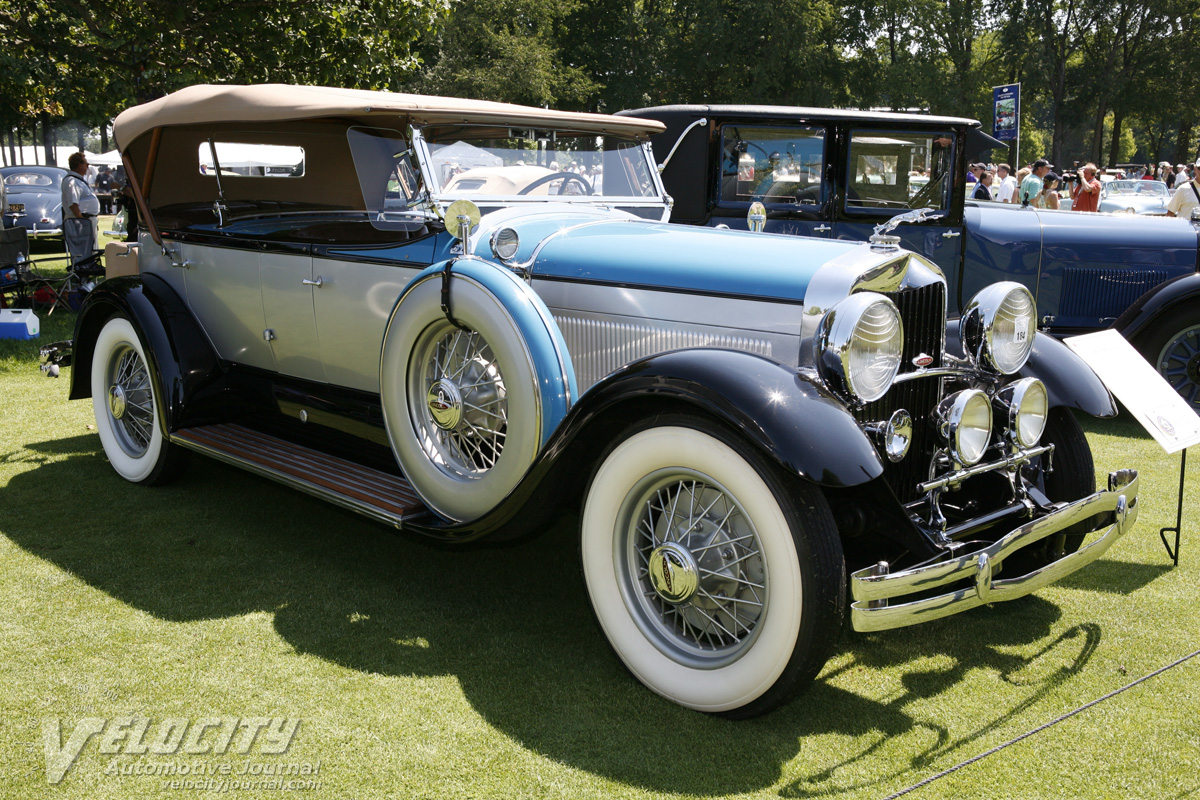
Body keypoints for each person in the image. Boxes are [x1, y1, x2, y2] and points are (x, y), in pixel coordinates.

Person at [61, 152, 99, 265]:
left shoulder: (77, 180)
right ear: (79, 165)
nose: (87, 167)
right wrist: (82, 220)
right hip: (79, 221)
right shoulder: (72, 181)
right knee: (82, 251)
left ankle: (88, 273)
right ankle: (82, 276)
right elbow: (73, 203)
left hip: (86, 220)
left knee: (91, 251)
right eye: (86, 164)